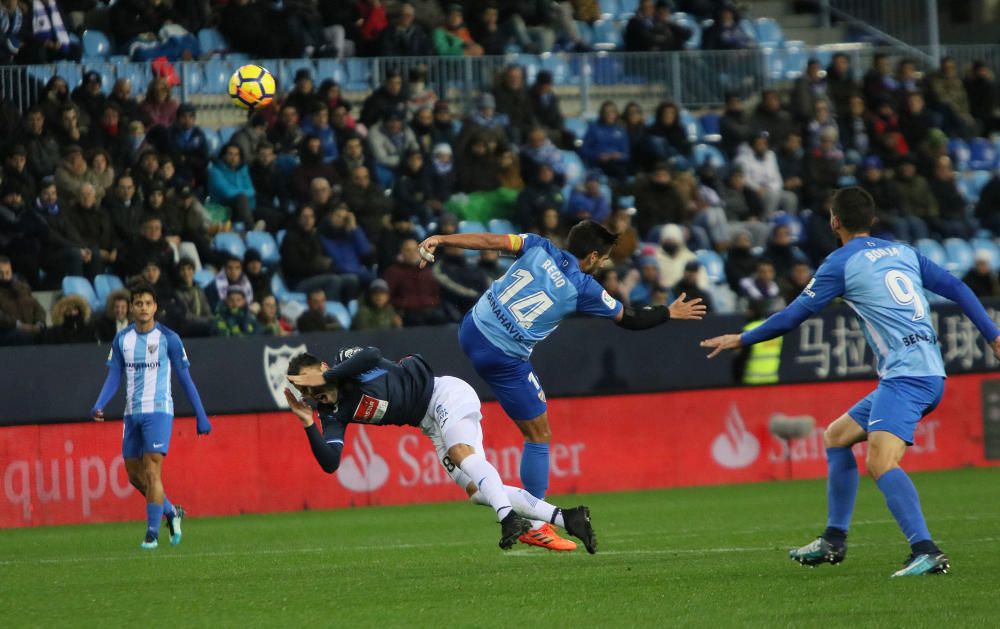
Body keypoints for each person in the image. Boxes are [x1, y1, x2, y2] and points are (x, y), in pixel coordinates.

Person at [701, 187, 1000, 577]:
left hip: (906, 377)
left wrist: (741, 338)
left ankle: (926, 549)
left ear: (834, 221)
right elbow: (959, 288)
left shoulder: (840, 263)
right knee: (837, 436)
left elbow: (793, 316)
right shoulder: (903, 252)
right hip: (926, 371)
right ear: (872, 220)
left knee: (881, 461)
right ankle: (833, 540)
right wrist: (993, 336)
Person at [417, 220, 705, 550]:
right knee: (538, 434)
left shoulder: (538, 245)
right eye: (604, 258)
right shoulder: (585, 288)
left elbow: (487, 240)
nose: (603, 264)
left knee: (527, 413)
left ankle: (518, 507)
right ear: (592, 255)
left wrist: (441, 238)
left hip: (471, 328)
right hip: (501, 356)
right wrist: (668, 312)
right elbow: (631, 320)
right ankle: (537, 523)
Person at [284, 347, 598, 552]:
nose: (311, 393)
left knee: (462, 452)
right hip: (428, 422)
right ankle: (567, 517)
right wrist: (308, 423)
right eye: (303, 391)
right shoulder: (331, 412)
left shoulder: (346, 364)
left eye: (311, 385)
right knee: (478, 492)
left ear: (323, 369)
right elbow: (330, 462)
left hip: (444, 394)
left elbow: (371, 355)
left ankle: (508, 518)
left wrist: (324, 377)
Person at [91, 283, 212, 549]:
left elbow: (185, 379)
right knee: (135, 476)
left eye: (148, 303)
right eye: (138, 303)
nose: (143, 307)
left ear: (155, 307)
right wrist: (100, 403)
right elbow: (114, 376)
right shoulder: (122, 339)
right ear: (132, 308)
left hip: (158, 411)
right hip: (131, 413)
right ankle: (170, 512)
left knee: (152, 469)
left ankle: (152, 534)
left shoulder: (169, 338)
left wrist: (201, 416)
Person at [0, 255, 46, 345]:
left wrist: (39, 323)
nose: (5, 277)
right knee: (20, 336)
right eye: (0, 273)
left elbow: (38, 307)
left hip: (30, 328)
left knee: (51, 334)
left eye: (7, 272)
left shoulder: (23, 287)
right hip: (6, 331)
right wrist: (19, 325)